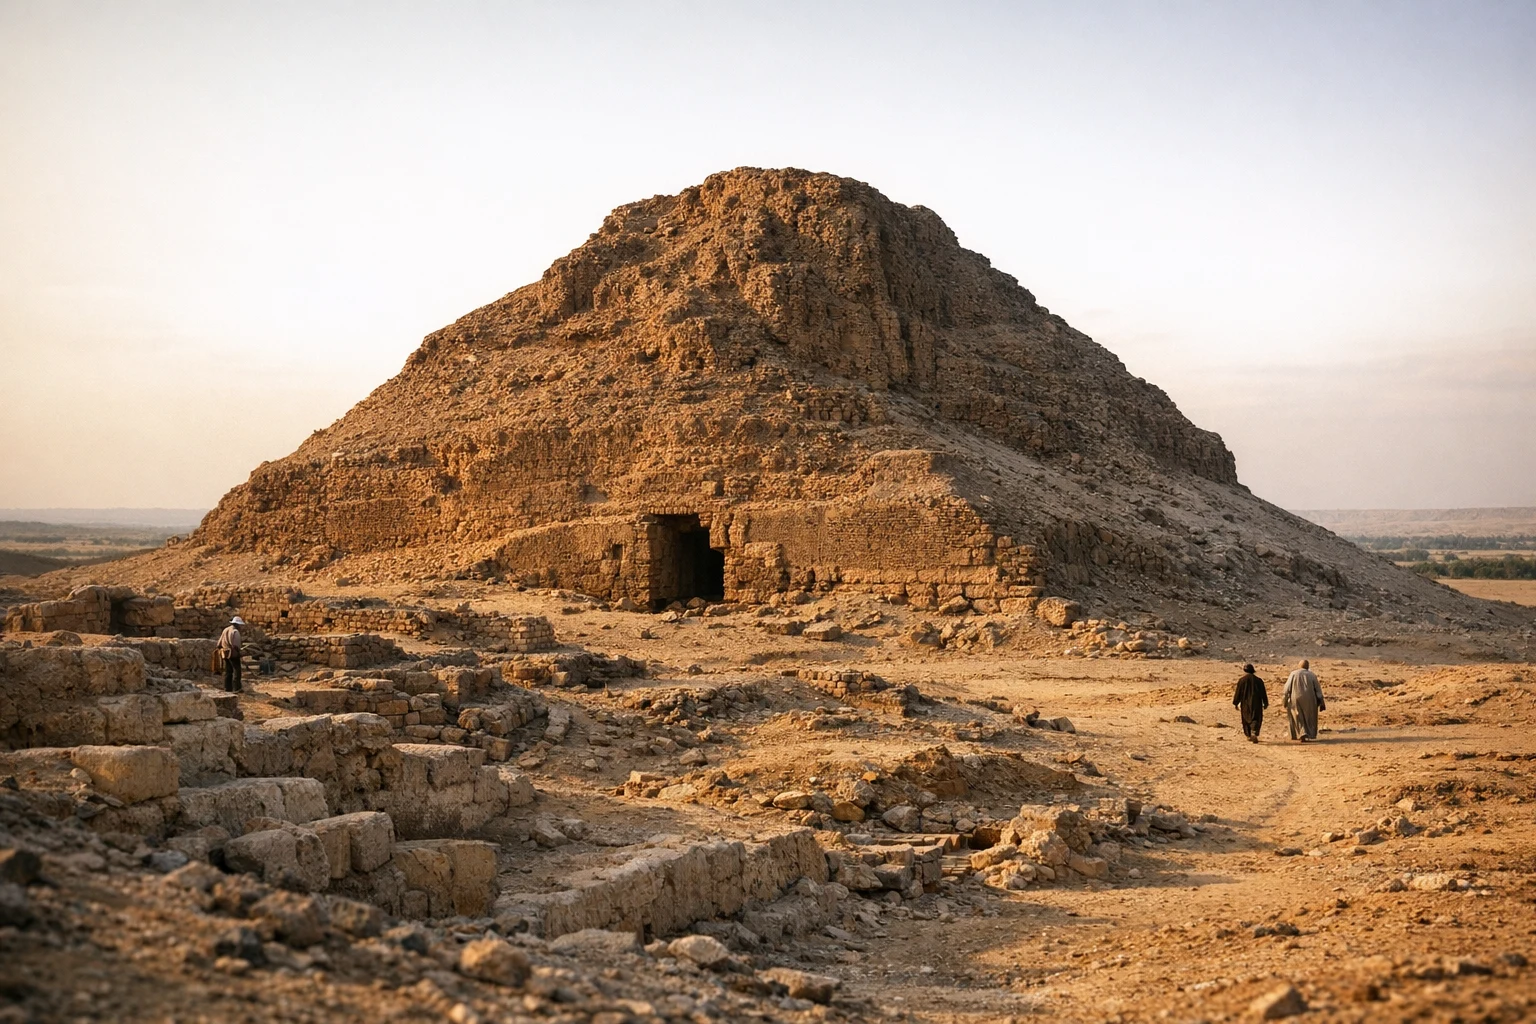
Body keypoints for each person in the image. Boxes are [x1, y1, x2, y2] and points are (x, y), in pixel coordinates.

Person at [1283, 658, 1325, 741]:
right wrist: (1321, 701)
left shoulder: (1293, 674)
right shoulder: (1312, 675)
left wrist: (1284, 700)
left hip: (1295, 698)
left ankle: (1301, 733)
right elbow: (1318, 689)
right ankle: (1308, 733)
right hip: (1310, 699)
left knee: (1297, 716)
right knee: (1309, 717)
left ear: (1299, 666)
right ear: (1308, 666)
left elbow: (1286, 689)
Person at [1232, 663, 1268, 743]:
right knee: (1256, 718)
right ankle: (1254, 732)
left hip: (1245, 703)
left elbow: (1238, 692)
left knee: (1246, 718)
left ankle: (1248, 735)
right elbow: (1263, 693)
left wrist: (1236, 702)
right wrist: (1265, 703)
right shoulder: (1258, 680)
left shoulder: (1242, 680)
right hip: (1257, 703)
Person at [218, 616, 245, 693]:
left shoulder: (225, 630)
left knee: (228, 671)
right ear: (237, 624)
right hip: (233, 654)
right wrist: (239, 652)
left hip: (225, 653)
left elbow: (219, 643)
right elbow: (237, 646)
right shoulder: (235, 632)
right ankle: (237, 688)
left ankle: (227, 688)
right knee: (237, 671)